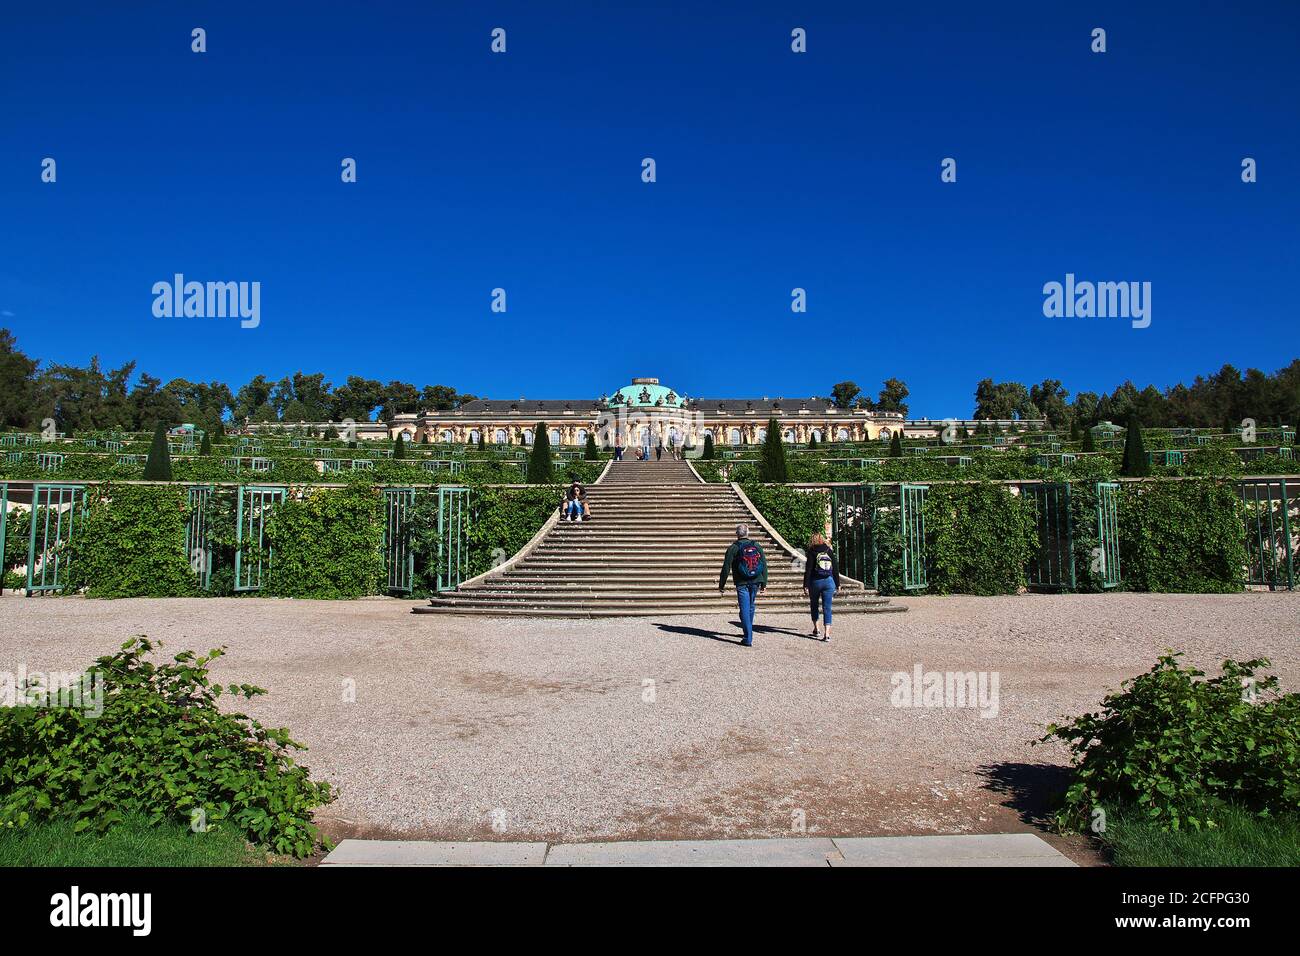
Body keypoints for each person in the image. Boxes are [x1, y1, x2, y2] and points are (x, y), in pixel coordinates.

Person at [718, 524, 767, 647]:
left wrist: (721, 585)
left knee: (744, 608)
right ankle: (748, 630)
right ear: (748, 533)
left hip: (741, 582)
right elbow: (764, 564)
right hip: (756, 580)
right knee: (750, 606)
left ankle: (748, 637)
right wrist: (764, 583)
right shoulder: (756, 545)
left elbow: (726, 567)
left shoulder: (733, 548)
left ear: (737, 534)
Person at [802, 532, 840, 641]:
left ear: (812, 540)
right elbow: (835, 568)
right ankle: (827, 634)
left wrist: (805, 585)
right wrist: (838, 584)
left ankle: (817, 629)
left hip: (815, 582)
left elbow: (808, 570)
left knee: (814, 605)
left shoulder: (812, 551)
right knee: (827, 607)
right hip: (829, 581)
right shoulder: (828, 550)